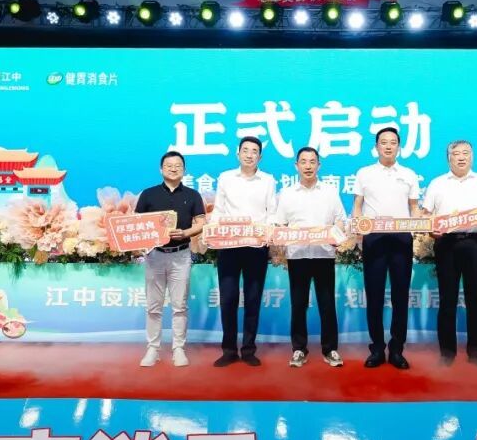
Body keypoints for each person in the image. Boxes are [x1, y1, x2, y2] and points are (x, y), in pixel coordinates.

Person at [421, 140, 477, 366]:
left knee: (475, 298)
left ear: (472, 157)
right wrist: (430, 229)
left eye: (466, 153)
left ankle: (476, 352)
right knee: (447, 299)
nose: (462, 157)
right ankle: (447, 353)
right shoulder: (437, 183)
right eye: (456, 154)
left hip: (475, 243)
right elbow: (425, 214)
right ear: (449, 158)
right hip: (446, 244)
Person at [353, 127, 421, 369]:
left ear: (399, 147)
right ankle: (377, 348)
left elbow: (415, 208)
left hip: (401, 239)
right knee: (374, 296)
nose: (389, 146)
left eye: (393, 142)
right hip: (374, 239)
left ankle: (397, 350)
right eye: (384, 142)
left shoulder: (409, 174)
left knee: (401, 296)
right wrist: (358, 232)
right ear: (376, 147)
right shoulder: (364, 173)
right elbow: (357, 205)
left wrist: (416, 229)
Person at [273, 147, 347, 368]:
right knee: (298, 304)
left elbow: (340, 220)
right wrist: (283, 239)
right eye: (303, 162)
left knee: (327, 304)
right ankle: (299, 349)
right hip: (298, 256)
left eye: (312, 162)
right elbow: (280, 224)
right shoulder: (287, 194)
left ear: (319, 165)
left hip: (324, 254)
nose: (308, 166)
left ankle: (330, 349)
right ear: (296, 166)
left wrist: (336, 236)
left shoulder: (329, 192)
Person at [135, 151, 205, 367]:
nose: (173, 168)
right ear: (161, 169)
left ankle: (178, 349)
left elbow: (201, 223)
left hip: (181, 255)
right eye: (169, 165)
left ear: (184, 170)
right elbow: (137, 223)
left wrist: (185, 233)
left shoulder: (193, 195)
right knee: (153, 306)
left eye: (178, 165)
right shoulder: (148, 194)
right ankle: (153, 349)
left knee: (179, 305)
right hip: (155, 255)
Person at [212, 136, 276, 367]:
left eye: (254, 151)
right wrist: (213, 232)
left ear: (260, 156)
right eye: (245, 150)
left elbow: (271, 213)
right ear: (237, 153)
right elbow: (219, 210)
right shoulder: (226, 178)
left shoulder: (267, 180)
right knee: (228, 298)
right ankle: (229, 350)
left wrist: (267, 232)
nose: (250, 155)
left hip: (256, 247)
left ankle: (249, 349)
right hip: (228, 246)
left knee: (253, 298)